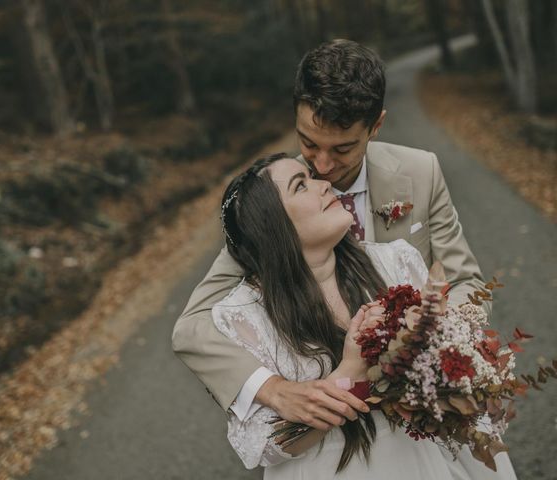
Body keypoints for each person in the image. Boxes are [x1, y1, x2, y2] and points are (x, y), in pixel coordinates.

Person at [172, 38, 487, 435]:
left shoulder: (421, 173)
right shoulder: (273, 207)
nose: (321, 165)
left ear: (376, 126)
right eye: (308, 143)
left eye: (342, 148)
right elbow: (191, 326)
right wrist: (273, 389)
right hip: (326, 432)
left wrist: (429, 347)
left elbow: (465, 283)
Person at [209, 153, 516, 478]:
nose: (325, 185)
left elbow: (445, 360)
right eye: (301, 186)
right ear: (270, 225)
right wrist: (351, 373)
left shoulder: (395, 260)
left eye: (312, 177)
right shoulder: (243, 316)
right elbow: (265, 445)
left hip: (423, 457)